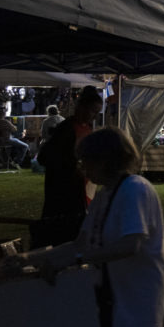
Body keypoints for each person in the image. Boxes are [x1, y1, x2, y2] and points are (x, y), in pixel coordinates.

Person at [6, 127, 164, 327]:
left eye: (86, 161)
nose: (82, 168)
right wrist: (27, 258)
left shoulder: (135, 189)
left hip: (138, 305)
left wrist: (73, 260)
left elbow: (130, 245)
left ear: (104, 160)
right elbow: (80, 244)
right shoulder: (104, 196)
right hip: (113, 301)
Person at [36, 85, 99, 246]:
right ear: (81, 108)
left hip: (81, 185)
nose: (94, 116)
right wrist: (72, 165)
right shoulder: (66, 128)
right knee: (63, 229)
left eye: (97, 113)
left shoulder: (88, 128)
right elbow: (45, 157)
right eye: (93, 111)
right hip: (63, 187)